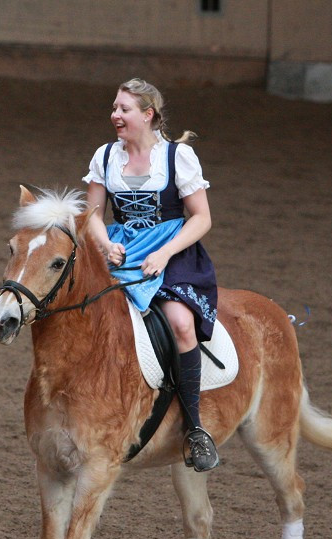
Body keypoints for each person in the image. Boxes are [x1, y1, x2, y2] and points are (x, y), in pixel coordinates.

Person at [83, 78, 220, 472]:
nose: (115, 116)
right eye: (114, 107)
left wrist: (163, 253)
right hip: (121, 248)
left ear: (148, 115)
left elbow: (202, 218)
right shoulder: (106, 156)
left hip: (171, 250)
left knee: (180, 322)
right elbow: (91, 214)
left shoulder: (178, 158)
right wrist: (105, 246)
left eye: (124, 109)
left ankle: (195, 428)